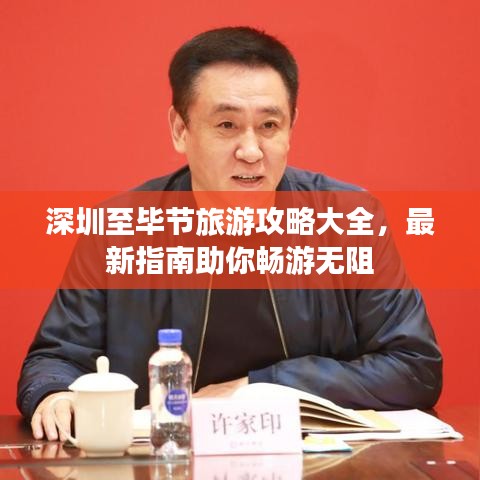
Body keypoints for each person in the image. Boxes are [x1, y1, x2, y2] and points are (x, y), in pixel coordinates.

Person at [17, 26, 442, 441]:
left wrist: (257, 388)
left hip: (319, 465)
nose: (252, 151)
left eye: (270, 126)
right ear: (179, 129)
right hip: (163, 462)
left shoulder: (348, 220)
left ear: (291, 127)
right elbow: (55, 358)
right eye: (226, 125)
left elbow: (415, 366)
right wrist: (53, 393)